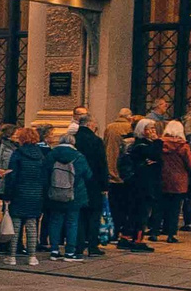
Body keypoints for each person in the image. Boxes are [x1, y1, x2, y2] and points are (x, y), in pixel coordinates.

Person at [2, 126, 48, 262]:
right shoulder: (41, 155)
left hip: (19, 192)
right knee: (32, 225)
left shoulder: (17, 154)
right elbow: (45, 177)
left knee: (15, 225)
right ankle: (32, 256)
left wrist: (8, 195)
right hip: (36, 194)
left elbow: (12, 176)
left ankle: (12, 256)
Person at [40, 127, 86, 259]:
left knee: (55, 221)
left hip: (54, 193)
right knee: (72, 222)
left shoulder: (51, 155)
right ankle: (70, 251)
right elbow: (87, 174)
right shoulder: (79, 156)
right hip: (74, 194)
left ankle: (54, 250)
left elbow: (44, 173)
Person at [115, 121, 161, 252]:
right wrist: (157, 142)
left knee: (135, 211)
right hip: (142, 184)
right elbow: (155, 155)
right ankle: (137, 239)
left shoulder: (141, 145)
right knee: (140, 212)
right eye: (150, 128)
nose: (153, 131)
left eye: (154, 128)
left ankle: (126, 237)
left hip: (141, 183)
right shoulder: (141, 145)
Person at [70, 109, 108, 258]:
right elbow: (102, 164)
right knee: (94, 215)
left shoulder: (73, 139)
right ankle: (93, 245)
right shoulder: (96, 140)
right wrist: (105, 185)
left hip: (76, 182)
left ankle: (78, 246)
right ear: (91, 124)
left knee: (79, 215)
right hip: (94, 183)